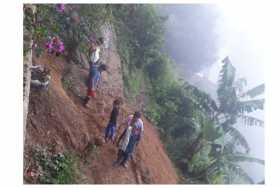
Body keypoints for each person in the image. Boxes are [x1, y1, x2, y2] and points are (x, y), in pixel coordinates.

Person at [83, 37, 106, 107]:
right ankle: (85, 103)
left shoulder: (98, 47)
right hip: (93, 62)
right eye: (100, 42)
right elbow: (90, 51)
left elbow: (95, 54)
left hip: (94, 63)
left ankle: (85, 101)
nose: (100, 44)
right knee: (90, 92)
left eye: (101, 43)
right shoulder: (95, 46)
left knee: (89, 91)